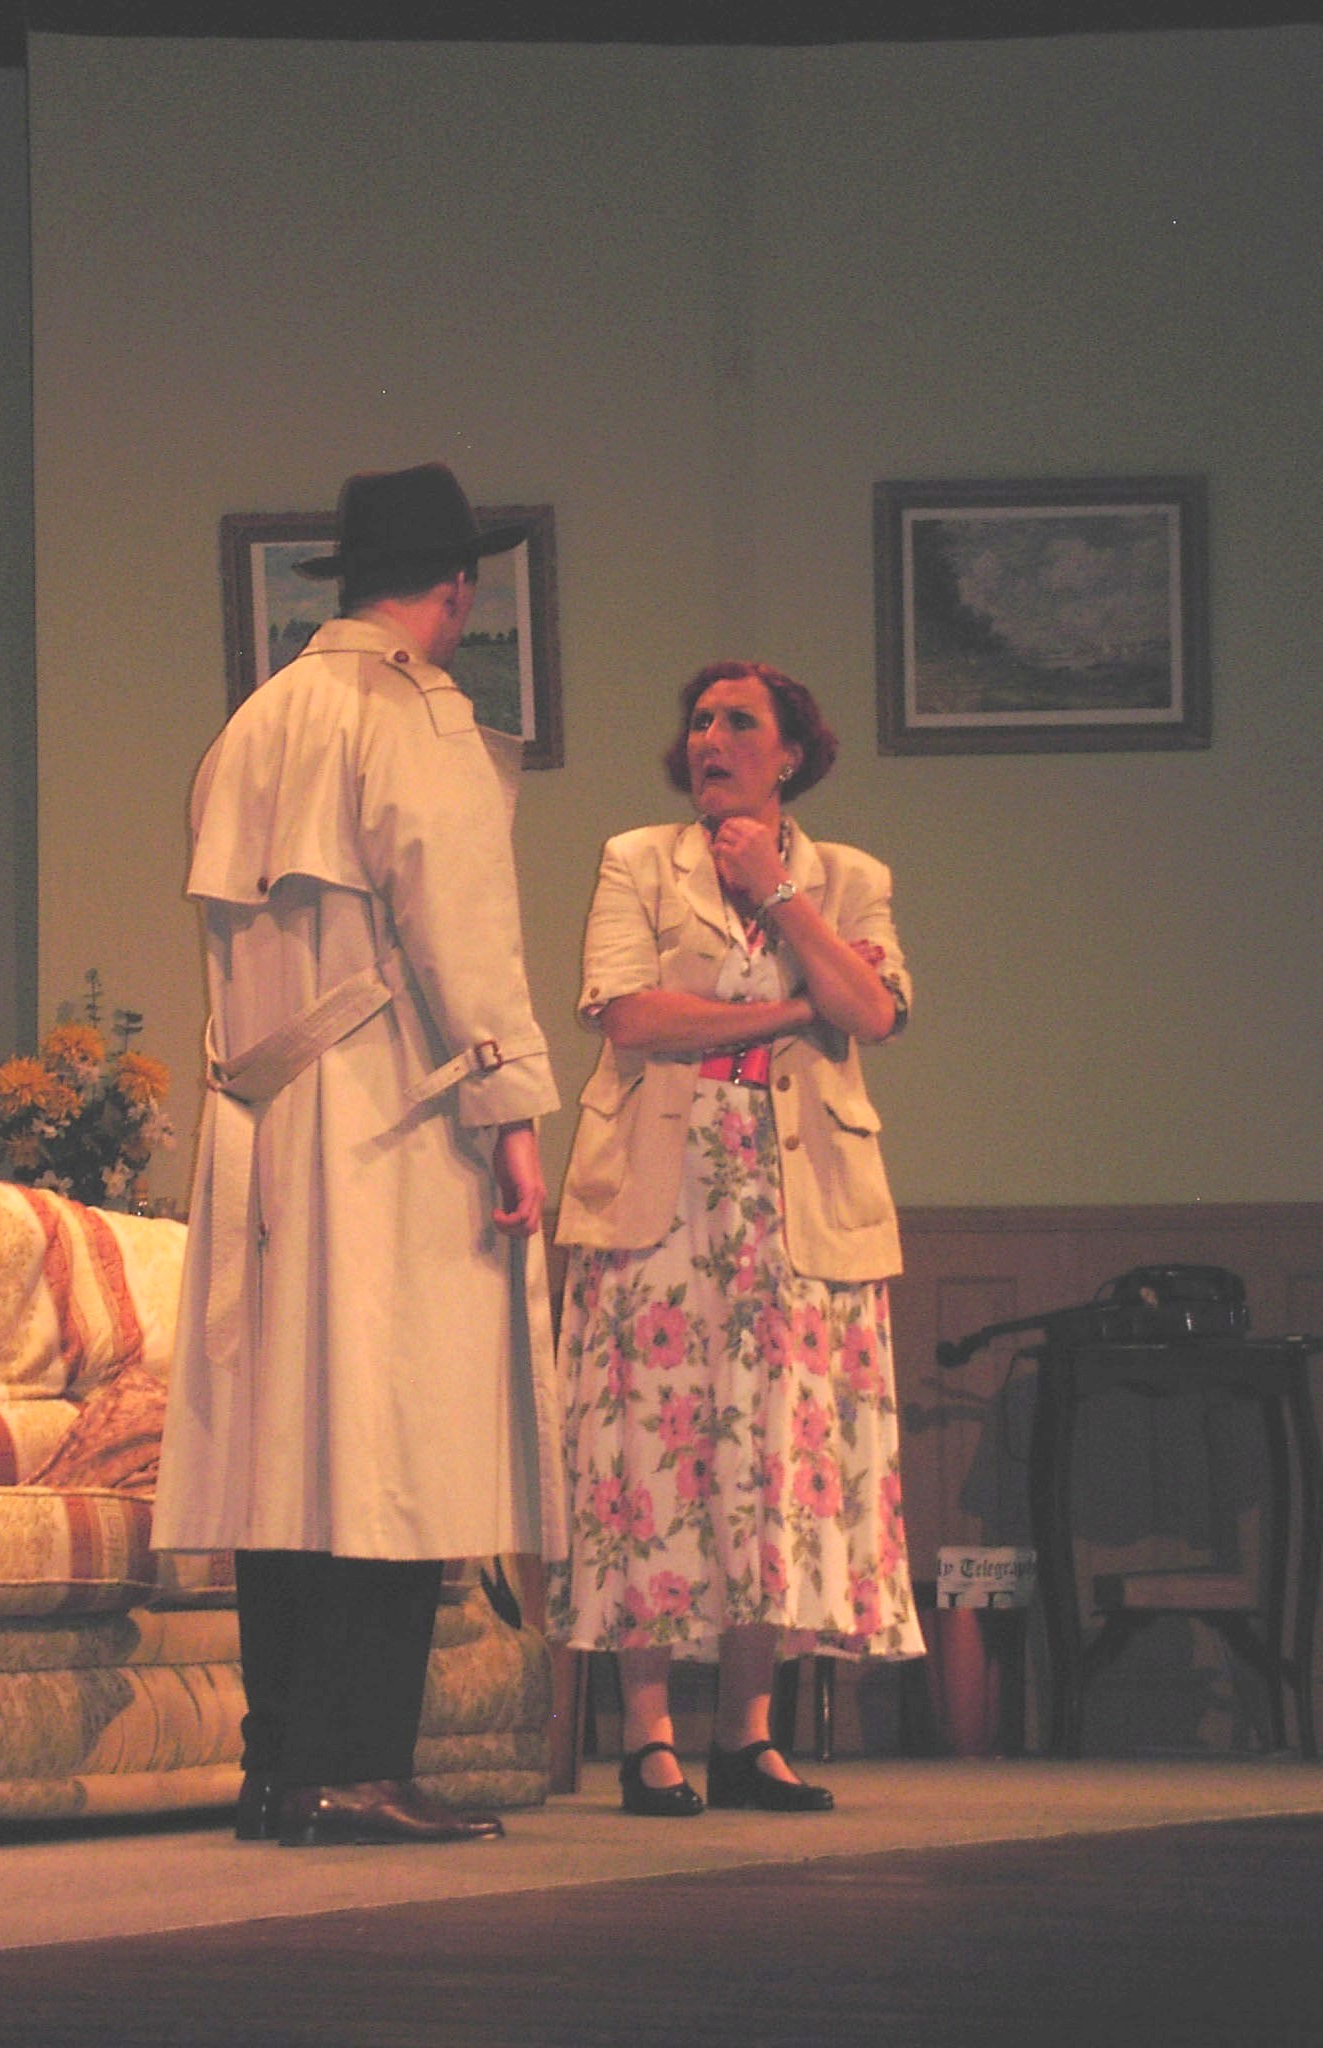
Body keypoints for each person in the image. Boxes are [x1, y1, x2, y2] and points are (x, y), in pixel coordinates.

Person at [152, 463, 564, 1847]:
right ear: (456, 589)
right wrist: (510, 1114)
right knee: (398, 1442)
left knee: (290, 1457)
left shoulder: (257, 718)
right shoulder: (414, 713)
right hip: (390, 1114)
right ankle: (357, 1766)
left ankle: (281, 1766)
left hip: (266, 1119)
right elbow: (464, 931)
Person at [549, 660, 925, 1816]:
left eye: (739, 721)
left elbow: (874, 1011)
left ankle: (748, 1733)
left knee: (770, 1455)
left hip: (799, 1202)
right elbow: (632, 1014)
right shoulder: (636, 860)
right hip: (662, 1193)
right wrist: (793, 1007)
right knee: (648, 1455)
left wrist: (778, 892)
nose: (710, 736)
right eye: (700, 719)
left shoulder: (850, 877)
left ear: (790, 753)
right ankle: (649, 1733)